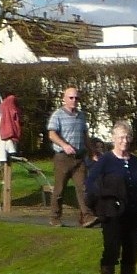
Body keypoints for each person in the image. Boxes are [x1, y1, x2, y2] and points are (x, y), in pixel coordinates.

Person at [83, 121, 137, 274]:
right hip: (112, 215)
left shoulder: (135, 161)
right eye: (120, 137)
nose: (124, 141)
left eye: (127, 137)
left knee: (131, 253)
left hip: (133, 214)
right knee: (112, 252)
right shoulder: (106, 161)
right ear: (113, 139)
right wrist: (101, 205)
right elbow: (91, 184)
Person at [45, 86, 91, 226]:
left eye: (76, 98)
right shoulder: (58, 115)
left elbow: (85, 135)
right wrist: (64, 145)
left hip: (79, 157)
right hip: (63, 158)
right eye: (71, 98)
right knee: (59, 189)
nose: (74, 100)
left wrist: (92, 152)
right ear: (64, 99)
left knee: (83, 187)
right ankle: (55, 217)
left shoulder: (81, 115)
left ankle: (87, 216)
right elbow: (51, 134)